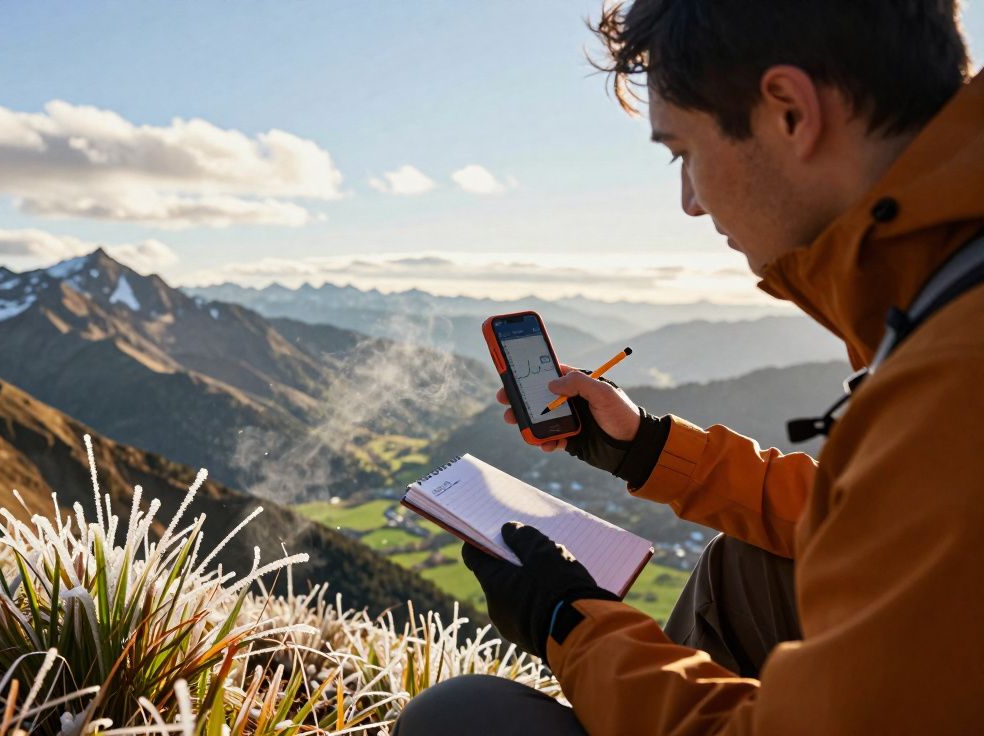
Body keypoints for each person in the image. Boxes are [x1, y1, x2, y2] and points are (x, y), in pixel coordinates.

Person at [395, 1, 984, 734]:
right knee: (749, 561)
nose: (690, 203)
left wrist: (570, 622)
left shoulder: (958, 375)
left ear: (789, 113)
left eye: (683, 153)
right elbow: (880, 516)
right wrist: (644, 444)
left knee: (459, 718)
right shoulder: (951, 286)